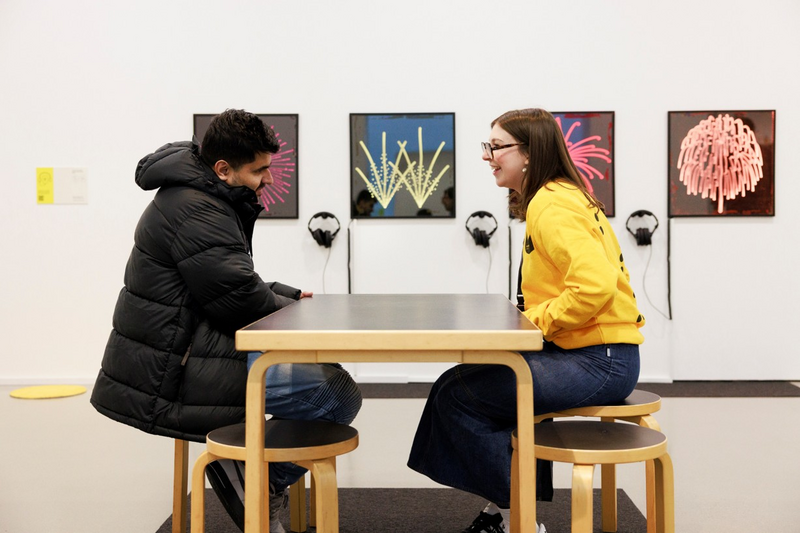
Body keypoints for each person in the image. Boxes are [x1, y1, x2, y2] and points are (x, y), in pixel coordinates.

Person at [90, 109, 362, 533]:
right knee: (335, 391)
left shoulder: (194, 197)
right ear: (223, 169)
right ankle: (255, 479)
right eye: (259, 170)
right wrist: (292, 312)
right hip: (177, 369)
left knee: (329, 378)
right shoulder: (197, 210)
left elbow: (220, 280)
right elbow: (237, 299)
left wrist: (286, 296)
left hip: (190, 349)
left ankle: (248, 469)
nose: (268, 179)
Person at [407, 108, 644, 533]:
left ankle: (520, 520)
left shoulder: (553, 204)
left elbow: (594, 287)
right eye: (489, 146)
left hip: (601, 361)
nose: (487, 156)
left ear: (530, 153)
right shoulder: (557, 196)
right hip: (597, 354)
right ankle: (503, 514)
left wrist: (532, 323)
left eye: (497, 146)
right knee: (460, 383)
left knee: (459, 395)